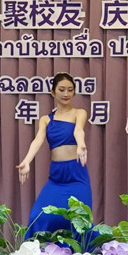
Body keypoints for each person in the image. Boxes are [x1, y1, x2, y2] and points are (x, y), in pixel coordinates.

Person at [16, 72, 91, 238]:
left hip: (76, 173)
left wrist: (81, 145)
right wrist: (26, 161)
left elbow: (78, 130)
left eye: (70, 90)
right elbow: (38, 140)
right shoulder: (46, 119)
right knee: (37, 217)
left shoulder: (79, 113)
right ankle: (40, 253)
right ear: (53, 92)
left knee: (80, 221)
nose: (66, 94)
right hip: (56, 175)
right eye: (62, 89)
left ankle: (81, 254)